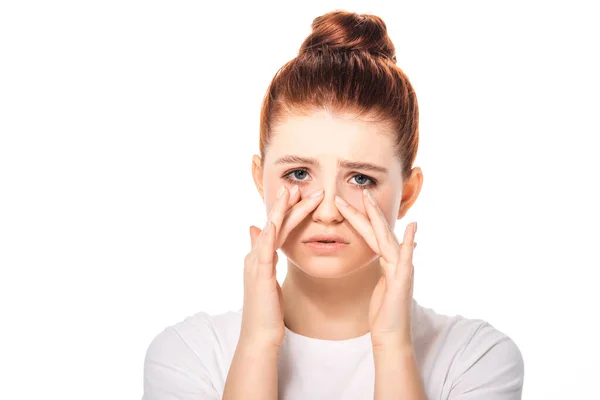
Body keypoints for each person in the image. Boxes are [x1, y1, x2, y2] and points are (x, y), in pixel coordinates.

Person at [142, 10, 524, 400]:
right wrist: (257, 345)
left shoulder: (475, 359)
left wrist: (393, 347)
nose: (327, 212)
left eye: (361, 179)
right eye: (299, 174)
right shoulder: (188, 355)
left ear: (407, 193)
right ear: (261, 179)